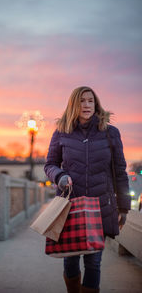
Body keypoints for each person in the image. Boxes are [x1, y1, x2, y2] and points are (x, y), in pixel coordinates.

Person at [44, 86, 131, 293]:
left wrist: (124, 208)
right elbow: (49, 165)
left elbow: (120, 172)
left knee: (93, 263)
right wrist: (60, 175)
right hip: (70, 207)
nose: (86, 105)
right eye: (82, 101)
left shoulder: (110, 133)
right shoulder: (61, 132)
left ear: (96, 104)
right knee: (71, 263)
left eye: (90, 101)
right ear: (74, 104)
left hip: (101, 207)